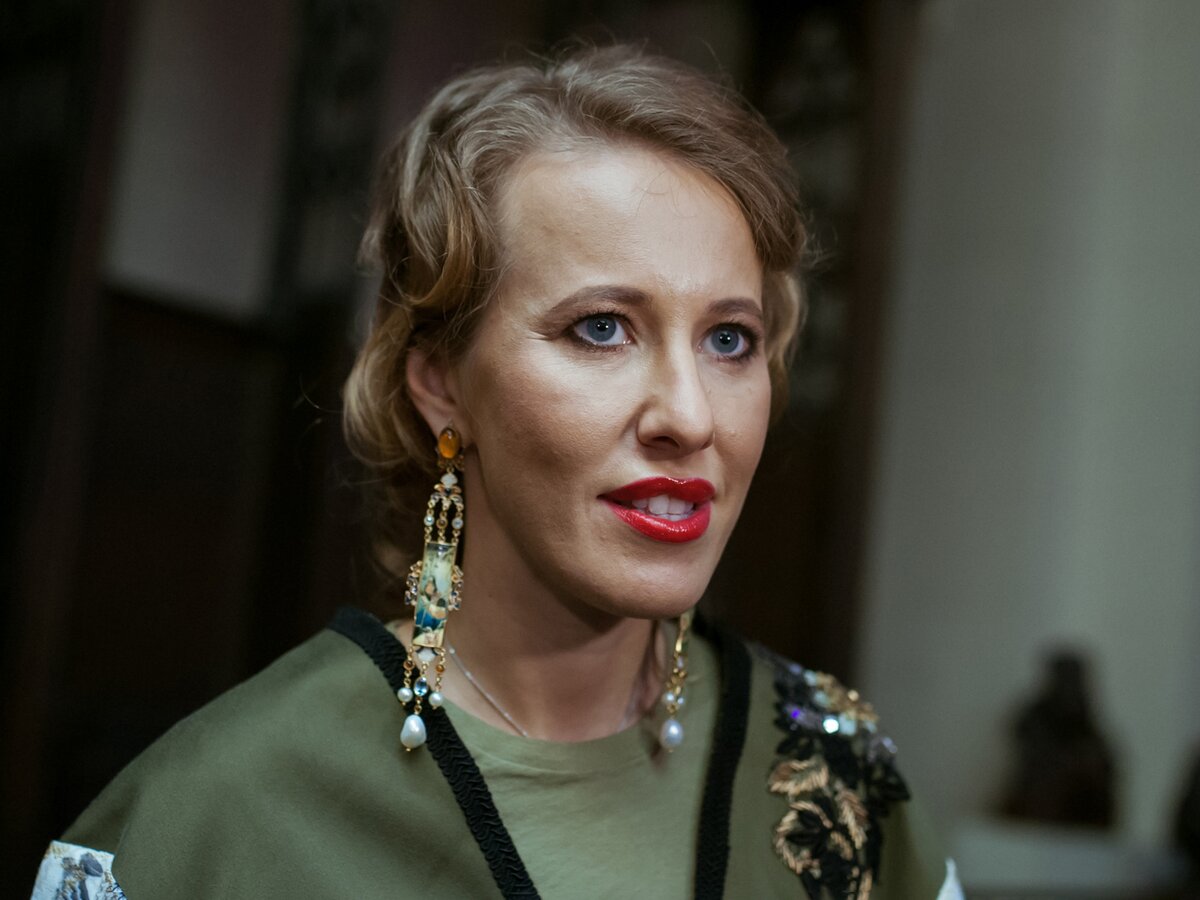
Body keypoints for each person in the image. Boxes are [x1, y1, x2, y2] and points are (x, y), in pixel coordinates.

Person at [32, 45, 962, 899]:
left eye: (730, 339)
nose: (689, 417)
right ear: (442, 383)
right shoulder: (221, 814)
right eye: (602, 328)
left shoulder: (840, 778)